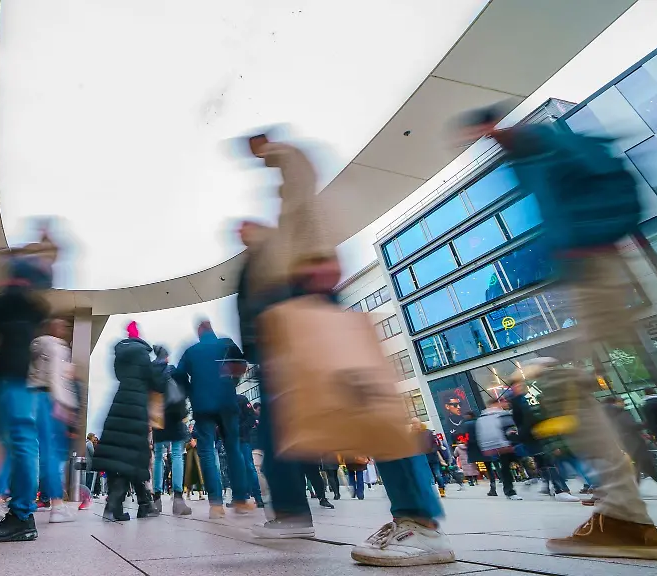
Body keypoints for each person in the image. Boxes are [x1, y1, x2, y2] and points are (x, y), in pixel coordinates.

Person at [237, 135, 453, 566]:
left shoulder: (293, 193)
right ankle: (399, 515)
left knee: (370, 410)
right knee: (318, 418)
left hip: (310, 303)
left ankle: (420, 520)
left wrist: (272, 150)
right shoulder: (280, 223)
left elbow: (301, 177)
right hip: (295, 314)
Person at [458, 105, 657, 557]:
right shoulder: (528, 156)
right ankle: (625, 515)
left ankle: (626, 517)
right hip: (585, 265)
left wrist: (584, 239)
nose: (476, 141)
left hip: (593, 262)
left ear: (489, 126)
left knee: (561, 383)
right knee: (569, 385)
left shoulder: (544, 145)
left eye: (476, 133)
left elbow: (613, 187)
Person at [0, 253, 51, 543]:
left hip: (9, 380)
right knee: (19, 444)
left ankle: (20, 515)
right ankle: (19, 512)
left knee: (18, 444)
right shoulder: (31, 306)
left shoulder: (8, 302)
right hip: (17, 380)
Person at [172, 320, 253, 519]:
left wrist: (192, 391)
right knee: (234, 449)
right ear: (212, 330)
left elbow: (178, 374)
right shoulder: (226, 344)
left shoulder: (191, 351)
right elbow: (241, 365)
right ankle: (241, 499)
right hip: (227, 403)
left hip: (202, 407)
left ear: (199, 332)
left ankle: (216, 505)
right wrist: (231, 383)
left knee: (207, 453)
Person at [92, 322, 168, 521]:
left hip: (119, 404)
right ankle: (116, 504)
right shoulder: (143, 355)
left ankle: (137, 505)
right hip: (136, 408)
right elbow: (157, 382)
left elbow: (121, 376)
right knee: (132, 457)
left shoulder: (119, 356)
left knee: (124, 456)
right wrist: (160, 361)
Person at [28, 318, 78, 523]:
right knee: (52, 454)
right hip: (51, 400)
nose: (65, 329)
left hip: (32, 398)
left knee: (32, 453)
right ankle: (57, 505)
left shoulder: (35, 346)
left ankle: (28, 498)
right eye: (63, 326)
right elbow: (57, 378)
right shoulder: (57, 348)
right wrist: (67, 406)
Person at [152, 350, 192, 515]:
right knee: (176, 454)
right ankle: (178, 499)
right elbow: (186, 388)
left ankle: (156, 499)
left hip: (157, 415)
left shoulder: (151, 373)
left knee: (158, 456)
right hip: (175, 416)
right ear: (167, 357)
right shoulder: (174, 371)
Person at [602, 397, 657, 487]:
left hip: (627, 444)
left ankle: (634, 487)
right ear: (615, 403)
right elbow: (631, 426)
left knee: (640, 466)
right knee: (647, 466)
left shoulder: (608, 415)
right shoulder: (620, 413)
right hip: (636, 444)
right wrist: (647, 423)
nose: (623, 403)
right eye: (621, 401)